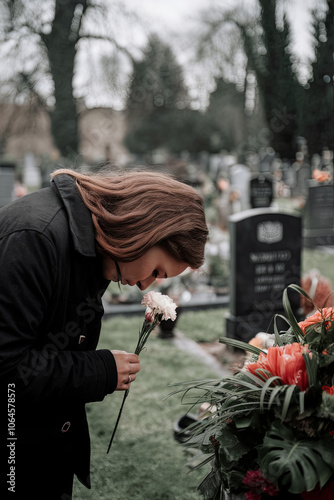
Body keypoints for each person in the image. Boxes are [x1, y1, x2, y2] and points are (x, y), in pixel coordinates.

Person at [0, 167, 208, 499]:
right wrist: (100, 370)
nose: (145, 284)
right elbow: (9, 370)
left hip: (44, 449)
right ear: (144, 230)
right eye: (156, 271)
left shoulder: (88, 251)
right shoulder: (35, 238)